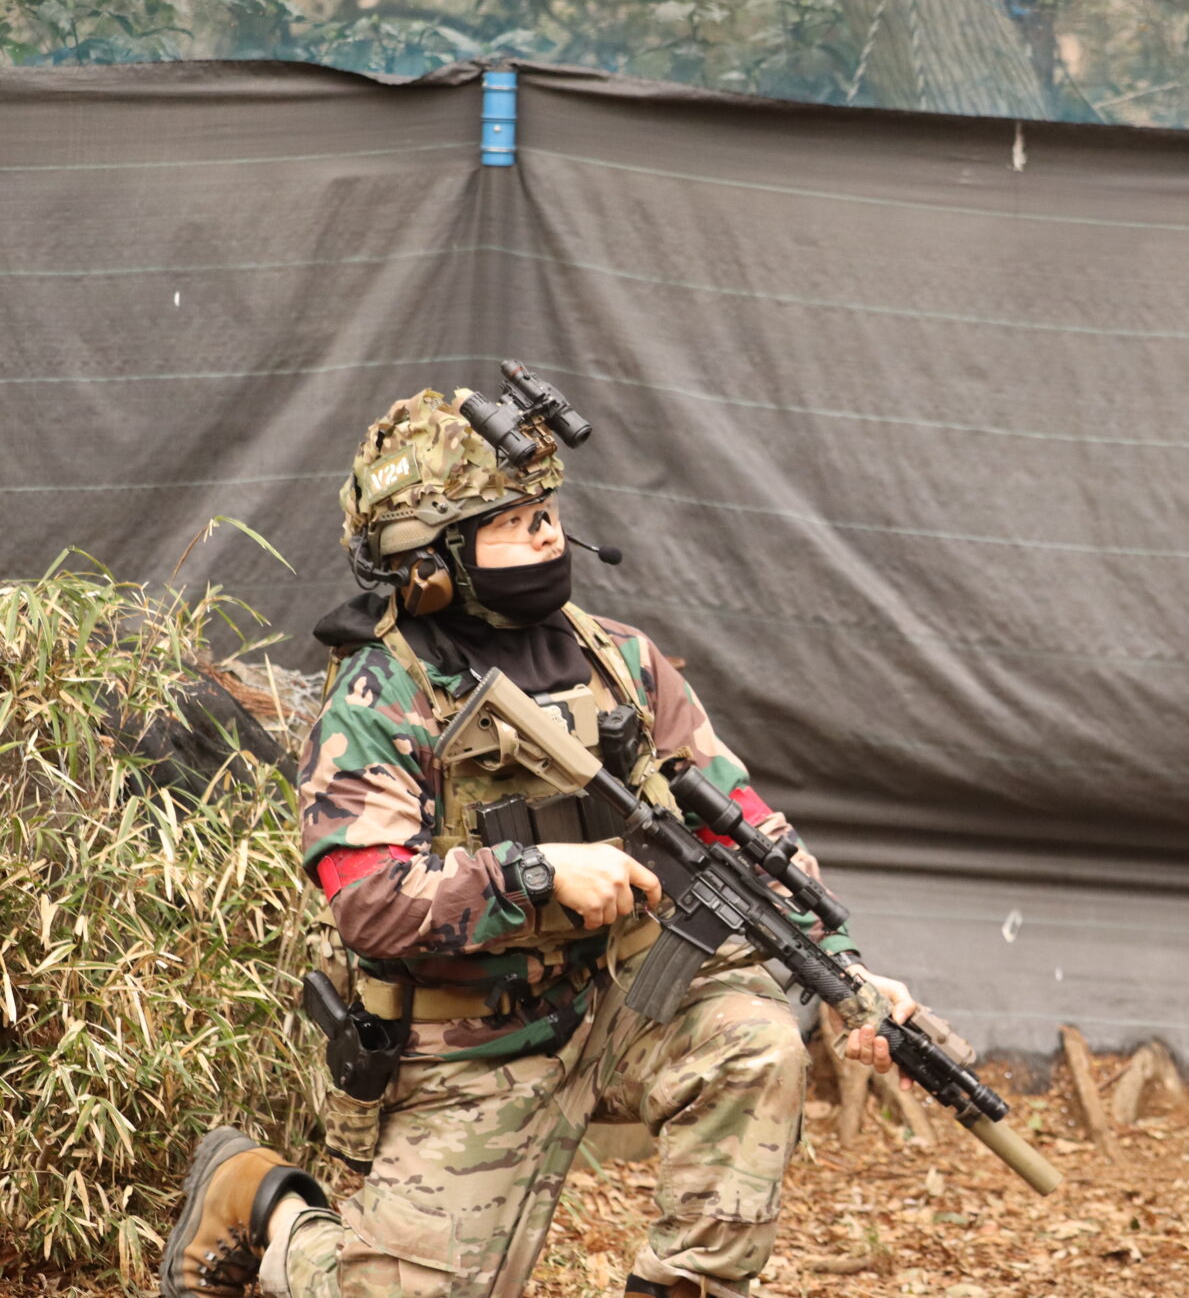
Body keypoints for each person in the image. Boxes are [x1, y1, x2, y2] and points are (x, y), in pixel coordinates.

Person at [161, 387, 916, 1298]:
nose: (549, 536)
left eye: (549, 513)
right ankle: (264, 1204)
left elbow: (743, 822)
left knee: (755, 1043)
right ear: (431, 562)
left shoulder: (621, 661)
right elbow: (368, 901)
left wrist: (842, 964)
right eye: (515, 524)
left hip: (626, 999)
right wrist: (535, 872)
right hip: (473, 1039)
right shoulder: (381, 694)